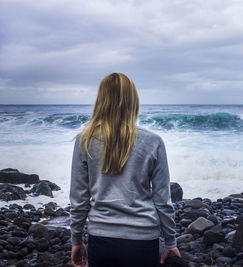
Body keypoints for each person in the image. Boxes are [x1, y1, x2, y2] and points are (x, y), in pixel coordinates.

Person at [69, 73, 181, 267]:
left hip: (101, 237)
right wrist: (171, 241)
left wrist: (76, 240)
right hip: (143, 238)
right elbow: (162, 199)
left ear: (101, 100)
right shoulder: (153, 141)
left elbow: (79, 199)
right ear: (133, 100)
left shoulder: (85, 140)